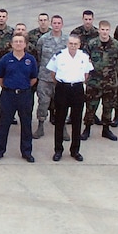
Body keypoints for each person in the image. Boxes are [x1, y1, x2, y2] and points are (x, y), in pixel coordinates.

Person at [0, 31, 39, 162]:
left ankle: (26, 152)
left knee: (26, 124)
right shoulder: (5, 59)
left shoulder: (31, 60)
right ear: (11, 44)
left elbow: (33, 78)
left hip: (25, 95)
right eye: (16, 41)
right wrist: (9, 87)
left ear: (25, 44)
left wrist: (22, 87)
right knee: (4, 124)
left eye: (21, 41)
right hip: (8, 95)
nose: (18, 44)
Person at [47, 32, 92, 162]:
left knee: (77, 121)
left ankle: (75, 150)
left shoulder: (84, 56)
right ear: (67, 44)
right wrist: (63, 84)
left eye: (75, 44)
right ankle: (58, 150)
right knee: (60, 120)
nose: (73, 46)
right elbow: (53, 73)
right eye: (71, 44)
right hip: (62, 88)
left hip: (77, 89)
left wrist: (76, 83)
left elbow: (86, 75)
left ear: (79, 45)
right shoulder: (59, 56)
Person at [82, 21, 118, 142]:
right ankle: (87, 128)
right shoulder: (92, 43)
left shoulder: (116, 44)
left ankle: (106, 129)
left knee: (108, 106)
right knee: (90, 106)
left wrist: (114, 76)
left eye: (106, 30)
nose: (104, 32)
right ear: (98, 30)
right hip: (94, 82)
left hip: (109, 82)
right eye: (102, 29)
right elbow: (85, 60)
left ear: (109, 31)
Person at [34, 15, 68, 140]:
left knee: (62, 104)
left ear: (62, 24)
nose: (56, 25)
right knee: (43, 102)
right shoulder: (43, 39)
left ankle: (62, 127)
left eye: (59, 23)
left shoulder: (67, 40)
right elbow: (39, 55)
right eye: (54, 23)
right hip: (45, 77)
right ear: (51, 24)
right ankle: (40, 126)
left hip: (61, 79)